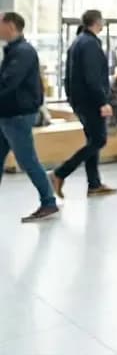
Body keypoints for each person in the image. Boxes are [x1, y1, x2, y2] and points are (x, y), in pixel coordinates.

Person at [51, 10, 117, 198]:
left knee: (93, 140)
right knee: (99, 140)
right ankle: (59, 173)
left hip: (80, 100)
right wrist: (102, 101)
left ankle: (94, 184)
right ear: (98, 22)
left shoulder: (78, 42)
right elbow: (92, 76)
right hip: (90, 101)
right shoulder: (89, 44)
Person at [0, 12, 59, 222]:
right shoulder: (14, 50)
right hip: (7, 113)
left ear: (11, 26)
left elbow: (8, 83)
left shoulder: (23, 52)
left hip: (17, 114)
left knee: (27, 160)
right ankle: (48, 200)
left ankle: (48, 201)